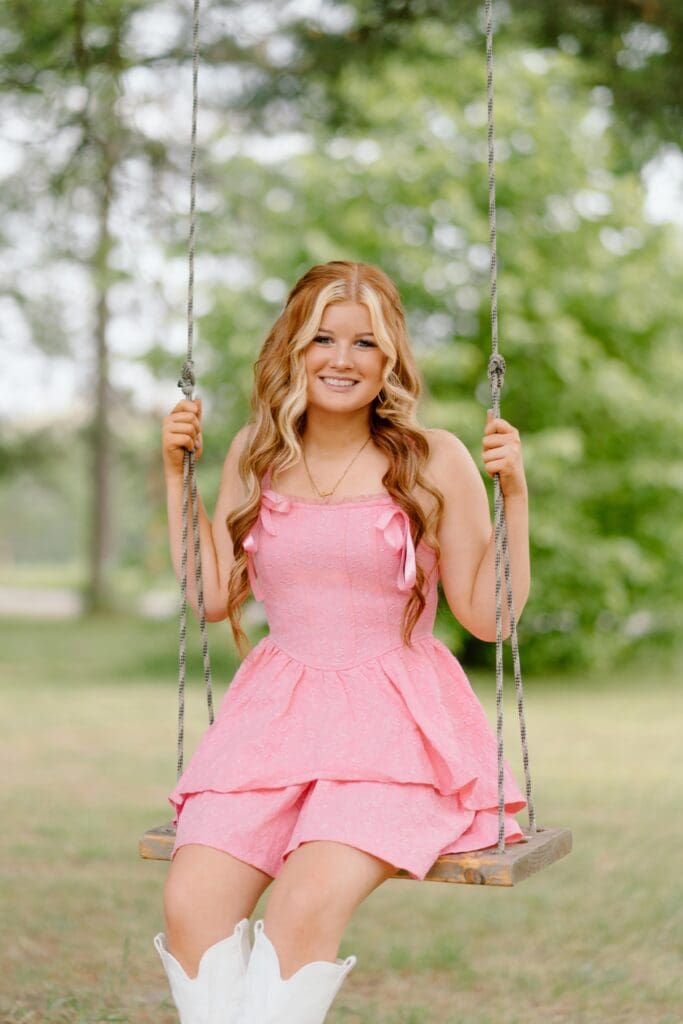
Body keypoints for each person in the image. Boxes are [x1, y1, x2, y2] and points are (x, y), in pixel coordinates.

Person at [155, 260, 530, 1024]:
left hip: (393, 729)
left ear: (388, 357)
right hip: (271, 722)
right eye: (322, 338)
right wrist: (175, 480)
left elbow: (488, 619)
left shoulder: (433, 459)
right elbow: (211, 595)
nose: (340, 358)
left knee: (301, 910)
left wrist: (514, 496)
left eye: (364, 342)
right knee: (189, 902)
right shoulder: (256, 456)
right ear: (292, 348)